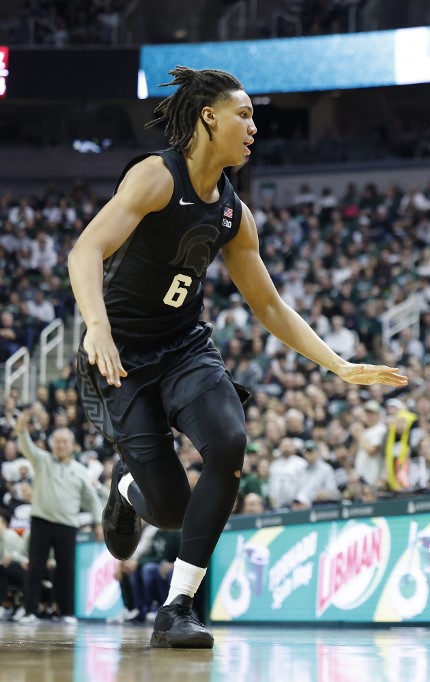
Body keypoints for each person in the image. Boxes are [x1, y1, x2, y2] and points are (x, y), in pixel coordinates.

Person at [67, 67, 406, 648]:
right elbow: (86, 249)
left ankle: (178, 607)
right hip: (121, 355)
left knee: (228, 442)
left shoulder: (234, 213)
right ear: (208, 117)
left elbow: (269, 306)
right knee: (172, 510)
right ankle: (127, 490)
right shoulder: (156, 176)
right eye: (243, 115)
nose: (253, 127)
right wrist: (96, 326)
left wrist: (339, 364)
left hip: (184, 347)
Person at [12, 412, 103, 623]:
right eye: (58, 441)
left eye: (65, 442)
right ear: (52, 444)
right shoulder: (42, 460)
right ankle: (30, 611)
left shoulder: (80, 470)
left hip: (67, 525)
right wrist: (22, 430)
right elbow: (27, 447)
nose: (61, 445)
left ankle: (67, 612)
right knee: (35, 567)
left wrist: (99, 522)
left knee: (66, 570)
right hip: (41, 521)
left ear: (72, 445)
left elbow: (91, 499)